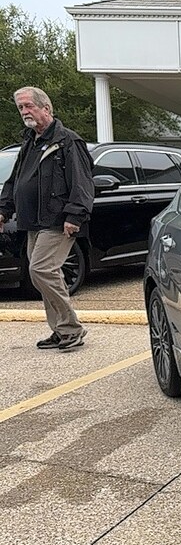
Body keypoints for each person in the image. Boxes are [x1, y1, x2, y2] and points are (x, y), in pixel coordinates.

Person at [0, 87, 94, 351]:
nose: (24, 112)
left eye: (29, 106)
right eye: (21, 108)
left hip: (58, 220)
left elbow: (82, 183)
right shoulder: (30, 142)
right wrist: (4, 210)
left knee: (40, 270)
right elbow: (15, 181)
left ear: (46, 108)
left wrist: (75, 215)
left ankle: (71, 328)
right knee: (43, 275)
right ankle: (61, 330)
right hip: (33, 221)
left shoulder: (68, 141)